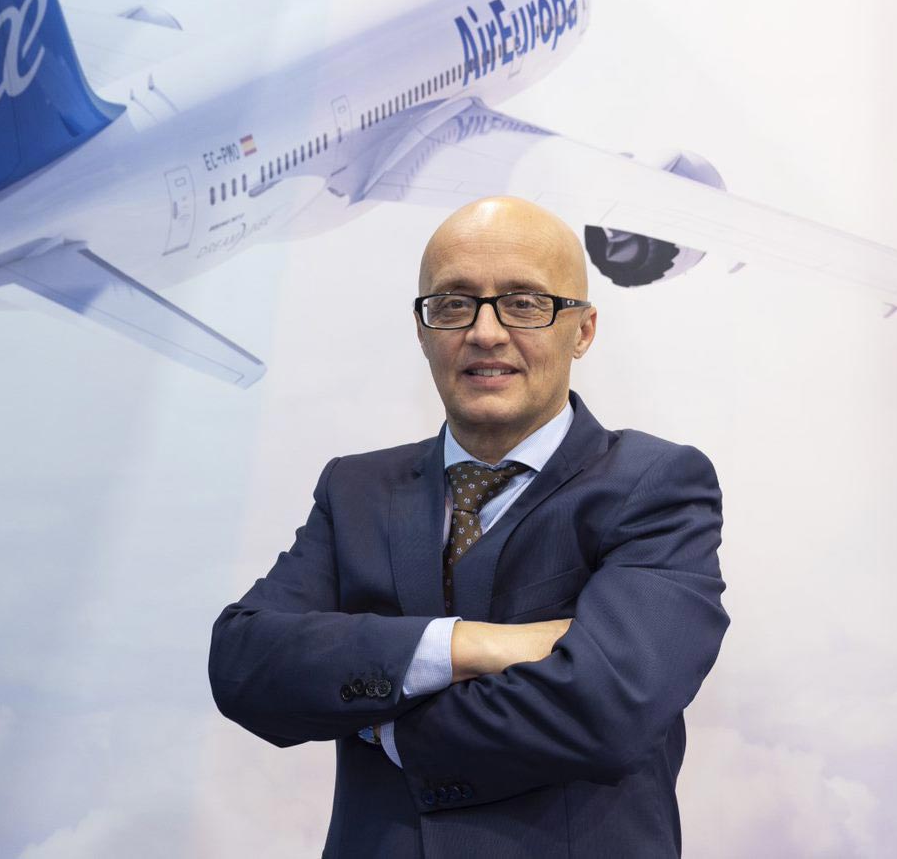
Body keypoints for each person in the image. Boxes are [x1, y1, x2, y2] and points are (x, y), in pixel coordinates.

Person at [209, 196, 728, 858]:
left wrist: (387, 727)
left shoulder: (656, 484)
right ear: (422, 329)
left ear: (584, 329)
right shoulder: (355, 489)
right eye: (454, 304)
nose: (485, 332)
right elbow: (245, 662)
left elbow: (611, 707)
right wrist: (466, 645)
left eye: (524, 303)